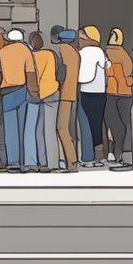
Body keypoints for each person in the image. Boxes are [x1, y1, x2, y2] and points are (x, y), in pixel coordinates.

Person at [0, 28, 38, 173]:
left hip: (6, 92)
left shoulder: (2, 52)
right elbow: (30, 72)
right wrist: (34, 92)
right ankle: (24, 161)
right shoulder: (25, 50)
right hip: (21, 90)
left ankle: (12, 162)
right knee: (23, 128)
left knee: (10, 129)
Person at [76, 25, 109, 167]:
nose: (79, 41)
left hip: (87, 92)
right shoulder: (100, 52)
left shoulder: (86, 53)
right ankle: (100, 156)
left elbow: (84, 76)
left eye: (81, 38)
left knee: (87, 125)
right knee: (97, 124)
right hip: (101, 93)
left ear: (88, 39)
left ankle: (89, 157)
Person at [27, 32, 60, 173]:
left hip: (39, 95)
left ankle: (43, 161)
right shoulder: (50, 54)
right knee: (50, 129)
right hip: (52, 92)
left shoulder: (31, 57)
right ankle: (53, 162)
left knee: (38, 131)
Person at [103, 28, 133, 170]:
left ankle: (118, 154)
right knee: (122, 124)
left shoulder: (107, 53)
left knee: (114, 124)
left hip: (112, 93)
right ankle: (120, 154)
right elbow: (129, 75)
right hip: (124, 94)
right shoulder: (125, 55)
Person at [54, 28, 81, 172]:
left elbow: (61, 73)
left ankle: (71, 162)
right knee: (68, 128)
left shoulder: (62, 50)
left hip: (63, 93)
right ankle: (71, 161)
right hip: (72, 93)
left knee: (61, 128)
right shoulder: (75, 52)